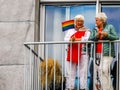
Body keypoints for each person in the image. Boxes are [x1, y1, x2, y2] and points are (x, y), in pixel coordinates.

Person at [89, 12, 119, 90]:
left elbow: (116, 37)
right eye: (95, 20)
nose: (95, 22)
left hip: (107, 53)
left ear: (102, 21)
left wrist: (107, 35)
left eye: (97, 20)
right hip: (96, 53)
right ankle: (103, 88)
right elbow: (90, 39)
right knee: (98, 72)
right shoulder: (95, 29)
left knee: (104, 70)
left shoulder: (110, 27)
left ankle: (108, 88)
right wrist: (97, 36)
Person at [64, 14, 91, 90]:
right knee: (70, 72)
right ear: (75, 22)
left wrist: (77, 39)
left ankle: (83, 88)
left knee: (83, 72)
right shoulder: (70, 30)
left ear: (83, 22)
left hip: (83, 53)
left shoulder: (86, 30)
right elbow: (65, 39)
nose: (80, 22)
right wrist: (71, 40)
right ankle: (70, 87)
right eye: (78, 21)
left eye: (81, 21)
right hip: (72, 52)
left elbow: (88, 39)